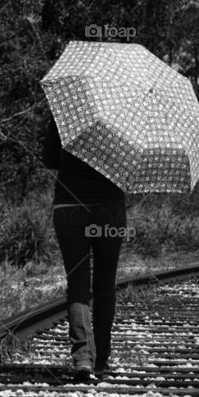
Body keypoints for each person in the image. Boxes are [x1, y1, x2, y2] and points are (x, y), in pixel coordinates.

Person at [42, 117, 127, 381]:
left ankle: (82, 359)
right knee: (105, 284)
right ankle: (100, 359)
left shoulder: (66, 113)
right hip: (109, 210)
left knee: (78, 282)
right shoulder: (124, 121)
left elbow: (49, 160)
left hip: (70, 209)